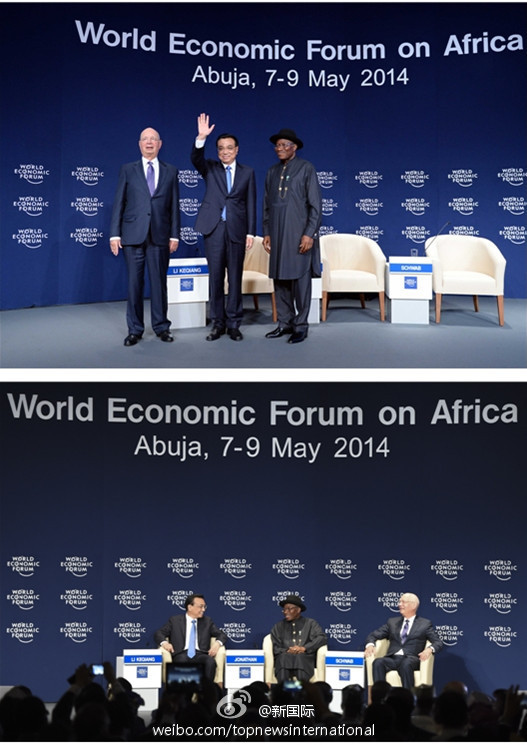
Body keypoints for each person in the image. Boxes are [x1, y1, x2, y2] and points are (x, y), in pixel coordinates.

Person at [110, 127, 180, 346]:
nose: (149, 142)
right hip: (133, 235)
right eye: (145, 139)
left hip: (160, 235)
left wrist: (174, 235)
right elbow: (119, 202)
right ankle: (135, 330)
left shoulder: (171, 171)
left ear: (160, 144)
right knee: (134, 285)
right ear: (140, 144)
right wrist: (114, 234)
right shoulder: (127, 169)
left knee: (159, 284)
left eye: (153, 139)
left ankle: (161, 327)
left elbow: (174, 206)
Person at [191, 113, 256, 341]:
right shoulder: (210, 168)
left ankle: (234, 323)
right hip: (214, 229)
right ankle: (217, 323)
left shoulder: (248, 172)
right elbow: (196, 158)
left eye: (229, 148)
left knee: (235, 278)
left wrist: (250, 232)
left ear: (237, 150)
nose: (225, 152)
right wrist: (201, 138)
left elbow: (250, 203)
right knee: (216, 278)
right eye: (220, 148)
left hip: (237, 230)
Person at [263, 128, 321, 344]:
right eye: (277, 145)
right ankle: (284, 323)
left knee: (300, 282)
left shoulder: (306, 168)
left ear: (294, 147)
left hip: (298, 235)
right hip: (277, 234)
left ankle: (301, 325)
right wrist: (267, 232)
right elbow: (266, 205)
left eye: (284, 145)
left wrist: (309, 234)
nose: (279, 149)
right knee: (280, 280)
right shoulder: (271, 172)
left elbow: (316, 206)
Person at [364, 592, 443, 690]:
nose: (399, 604)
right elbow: (374, 635)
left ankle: (408, 696)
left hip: (411, 658)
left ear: (413, 605)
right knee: (378, 662)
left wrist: (429, 649)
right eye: (399, 602)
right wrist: (370, 645)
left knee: (405, 664)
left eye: (403, 602)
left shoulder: (425, 624)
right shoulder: (392, 622)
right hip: (393, 658)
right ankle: (380, 696)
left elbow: (438, 642)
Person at [154, 593, 228, 680]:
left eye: (204, 606)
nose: (203, 609)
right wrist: (165, 643)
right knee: (181, 662)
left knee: (210, 662)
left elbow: (222, 634)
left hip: (200, 654)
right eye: (200, 606)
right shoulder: (175, 621)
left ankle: (206, 688)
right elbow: (159, 633)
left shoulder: (207, 621)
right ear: (190, 607)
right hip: (181, 654)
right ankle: (183, 689)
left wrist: (217, 643)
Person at [270, 594, 327, 682]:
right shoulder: (278, 626)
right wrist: (288, 650)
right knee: (283, 658)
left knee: (300, 657)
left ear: (298, 610)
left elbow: (322, 638)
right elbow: (275, 647)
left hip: (304, 659)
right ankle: (283, 689)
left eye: (289, 609)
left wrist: (304, 648)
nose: (285, 612)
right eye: (284, 609)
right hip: (284, 659)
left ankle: (302, 689)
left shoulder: (310, 623)